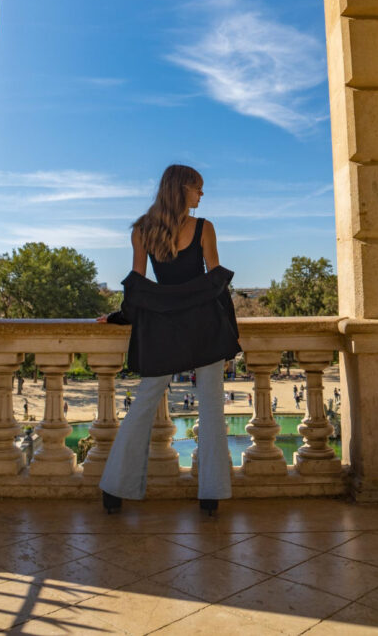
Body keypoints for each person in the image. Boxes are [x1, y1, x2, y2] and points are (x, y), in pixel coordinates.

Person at [97, 164, 240, 516]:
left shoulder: (143, 230)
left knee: (144, 403)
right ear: (181, 189)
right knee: (210, 408)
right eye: (197, 188)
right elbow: (215, 284)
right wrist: (229, 334)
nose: (201, 195)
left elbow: (138, 285)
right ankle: (211, 494)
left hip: (164, 325)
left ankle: (114, 489)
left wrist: (120, 316)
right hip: (204, 324)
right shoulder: (205, 228)